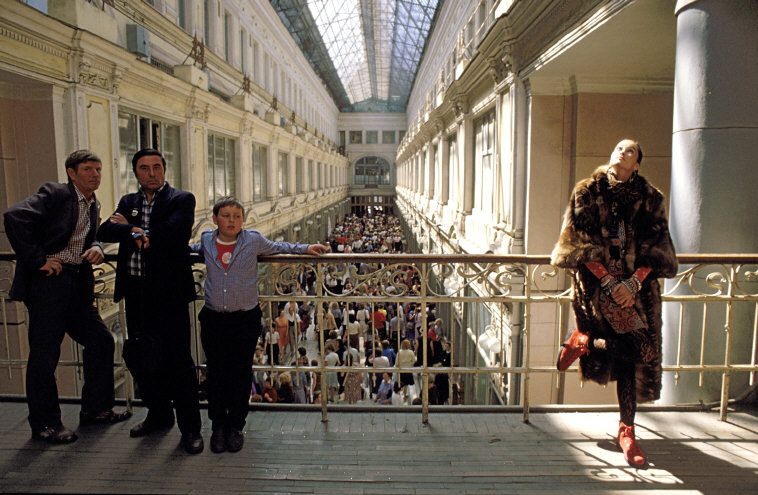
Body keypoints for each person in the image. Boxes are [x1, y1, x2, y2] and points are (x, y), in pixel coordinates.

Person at [551, 139, 678, 467]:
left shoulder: (651, 198)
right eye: (619, 147)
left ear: (637, 164)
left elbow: (659, 245)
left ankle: (586, 346)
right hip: (597, 287)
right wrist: (609, 282)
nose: (623, 151)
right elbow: (580, 241)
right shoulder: (588, 191)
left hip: (636, 292)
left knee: (640, 354)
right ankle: (627, 430)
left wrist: (634, 283)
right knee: (626, 353)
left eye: (631, 150)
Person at [3, 150, 131, 444]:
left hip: (76, 284)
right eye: (88, 169)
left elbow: (87, 235)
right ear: (72, 173)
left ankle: (96, 410)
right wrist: (38, 260)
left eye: (98, 170)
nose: (95, 175)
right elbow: (14, 216)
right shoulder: (57, 193)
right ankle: (45, 424)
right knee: (45, 356)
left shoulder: (92, 202)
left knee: (100, 340)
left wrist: (97, 245)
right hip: (49, 285)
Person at [191, 197, 328, 453]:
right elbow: (185, 248)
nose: (231, 220)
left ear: (243, 220)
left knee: (241, 372)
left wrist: (306, 247)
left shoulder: (252, 240)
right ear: (215, 219)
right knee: (217, 373)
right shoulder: (207, 241)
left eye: (237, 216)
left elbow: (279, 245)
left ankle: (235, 426)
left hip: (244, 319)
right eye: (226, 215)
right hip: (214, 318)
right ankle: (218, 426)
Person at [97, 148, 203, 454]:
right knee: (143, 357)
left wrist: (134, 231)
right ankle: (158, 415)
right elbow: (105, 229)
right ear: (136, 173)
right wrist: (135, 231)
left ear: (165, 170)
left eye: (157, 167)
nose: (152, 173)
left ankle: (191, 430)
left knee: (179, 363)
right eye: (144, 168)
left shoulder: (181, 199)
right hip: (137, 295)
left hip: (168, 297)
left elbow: (174, 233)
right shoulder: (129, 202)